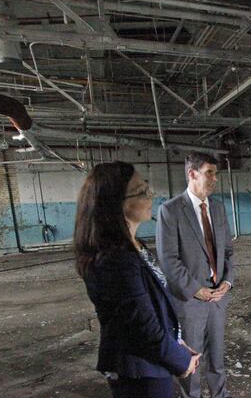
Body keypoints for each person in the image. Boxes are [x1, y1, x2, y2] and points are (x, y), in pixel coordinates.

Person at [73, 161, 200, 398]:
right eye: (142, 192)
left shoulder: (134, 246)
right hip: (139, 371)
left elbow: (152, 307)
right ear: (115, 203)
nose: (150, 196)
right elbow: (143, 327)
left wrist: (177, 343)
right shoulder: (115, 259)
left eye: (147, 188)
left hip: (151, 364)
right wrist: (181, 361)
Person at [156, 152, 234, 398]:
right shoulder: (170, 211)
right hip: (190, 301)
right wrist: (195, 289)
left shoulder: (219, 209)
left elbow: (229, 252)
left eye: (216, 174)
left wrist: (228, 282)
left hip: (218, 299)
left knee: (217, 358)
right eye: (209, 173)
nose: (215, 179)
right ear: (192, 174)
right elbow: (169, 260)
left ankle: (220, 395)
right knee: (192, 359)